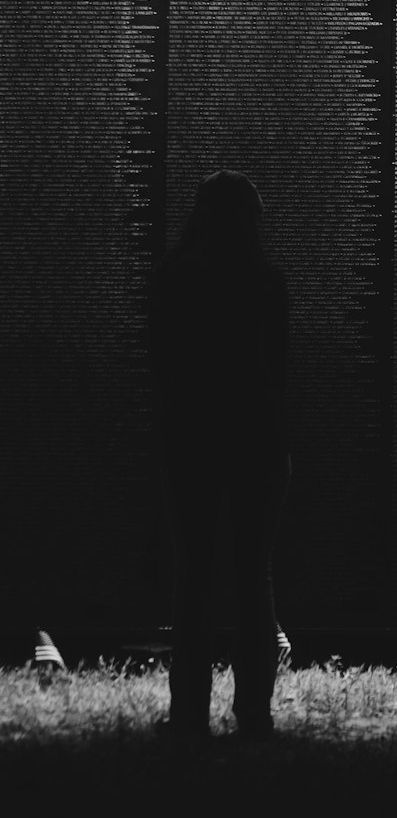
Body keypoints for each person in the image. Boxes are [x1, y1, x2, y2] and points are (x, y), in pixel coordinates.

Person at [148, 170, 291, 740]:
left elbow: (161, 365)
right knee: (254, 578)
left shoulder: (175, 279)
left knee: (194, 579)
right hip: (259, 441)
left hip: (193, 441)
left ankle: (188, 717)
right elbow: (278, 372)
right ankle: (254, 714)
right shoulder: (267, 282)